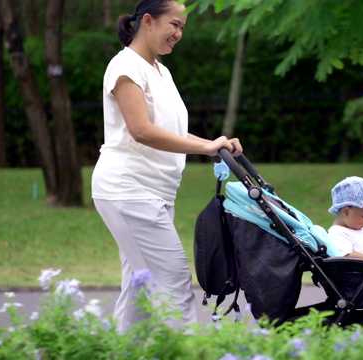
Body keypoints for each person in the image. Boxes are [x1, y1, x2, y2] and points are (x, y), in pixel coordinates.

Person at [91, 0, 243, 333]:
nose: (178, 34)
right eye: (174, 24)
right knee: (173, 282)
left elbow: (168, 130)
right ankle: (187, 351)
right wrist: (206, 146)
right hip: (128, 189)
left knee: (139, 284)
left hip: (153, 192)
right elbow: (141, 130)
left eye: (182, 28)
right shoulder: (125, 67)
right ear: (147, 21)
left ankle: (122, 354)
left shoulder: (160, 71)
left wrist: (213, 146)